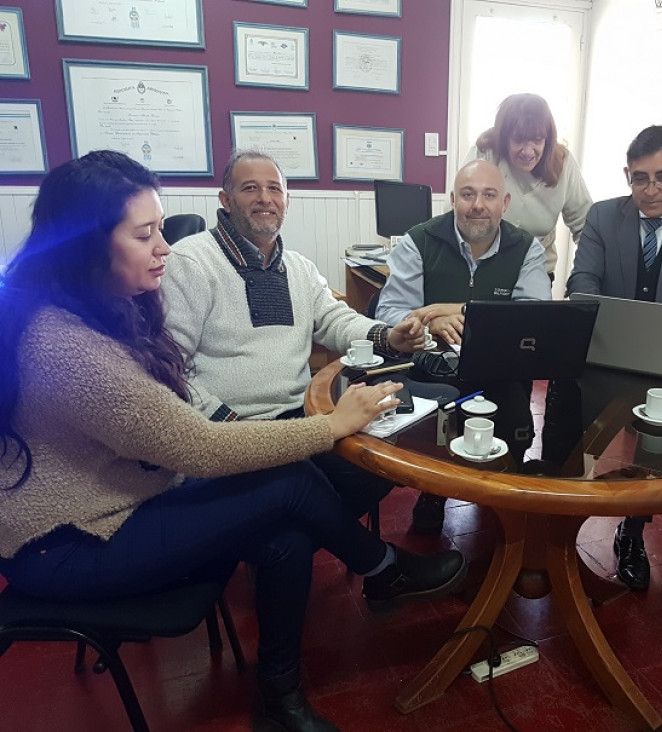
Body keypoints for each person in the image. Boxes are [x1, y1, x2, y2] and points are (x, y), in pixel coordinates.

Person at [0, 150, 467, 732]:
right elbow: (194, 443)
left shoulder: (98, 305)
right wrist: (332, 425)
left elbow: (329, 320)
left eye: (160, 230)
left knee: (288, 530)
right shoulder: (67, 346)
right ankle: (381, 568)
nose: (163, 247)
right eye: (145, 234)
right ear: (86, 246)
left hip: (130, 495)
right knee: (290, 484)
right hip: (70, 543)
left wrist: (382, 335)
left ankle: (280, 698)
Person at [160, 150, 423, 554]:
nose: (265, 198)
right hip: (231, 434)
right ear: (225, 200)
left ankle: (300, 529)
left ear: (287, 200)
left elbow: (335, 320)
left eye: (274, 189)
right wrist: (229, 424)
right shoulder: (190, 263)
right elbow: (170, 371)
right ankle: (378, 565)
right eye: (250, 188)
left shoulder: (298, 267)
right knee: (290, 529)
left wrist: (390, 337)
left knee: (380, 468)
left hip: (303, 421)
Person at [564, 125, 662, 591]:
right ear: (627, 176)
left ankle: (632, 531)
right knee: (574, 425)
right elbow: (583, 284)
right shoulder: (602, 216)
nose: (651, 190)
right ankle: (560, 518)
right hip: (604, 352)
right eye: (639, 179)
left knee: (657, 446)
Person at [376, 159, 551, 533]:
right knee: (432, 431)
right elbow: (389, 310)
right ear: (453, 199)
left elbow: (533, 317)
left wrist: (456, 309)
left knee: (513, 425)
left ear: (505, 202)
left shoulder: (527, 249)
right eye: (468, 195)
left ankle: (503, 492)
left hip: (502, 371)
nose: (478, 205)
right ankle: (434, 489)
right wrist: (429, 321)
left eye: (489, 195)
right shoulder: (418, 240)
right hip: (432, 368)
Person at [465, 93, 592, 279]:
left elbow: (585, 228)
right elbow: (456, 213)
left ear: (547, 140)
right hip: (484, 269)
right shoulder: (485, 153)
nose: (528, 151)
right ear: (504, 137)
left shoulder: (563, 163)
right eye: (518, 140)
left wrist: (584, 276)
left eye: (538, 140)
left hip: (538, 271)